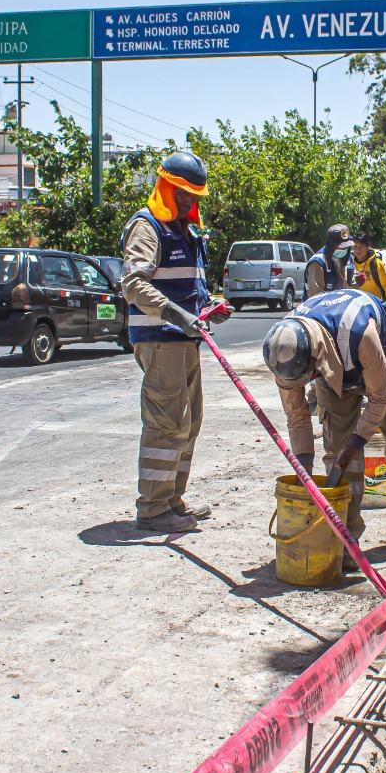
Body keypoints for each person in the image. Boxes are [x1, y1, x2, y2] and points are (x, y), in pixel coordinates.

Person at [262, 289, 386, 559]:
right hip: (335, 364)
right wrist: (303, 471)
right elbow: (297, 418)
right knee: (337, 449)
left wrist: (357, 442)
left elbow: (380, 398)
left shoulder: (359, 332)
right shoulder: (284, 351)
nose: (309, 380)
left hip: (384, 362)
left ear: (315, 358)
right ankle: (345, 534)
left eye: (311, 375)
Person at [120, 150, 231, 532]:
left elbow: (186, 285)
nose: (191, 200)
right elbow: (133, 285)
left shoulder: (186, 230)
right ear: (166, 187)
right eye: (184, 193)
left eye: (195, 194)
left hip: (186, 339)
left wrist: (208, 305)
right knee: (166, 424)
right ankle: (152, 507)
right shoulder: (147, 227)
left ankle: (171, 498)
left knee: (189, 423)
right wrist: (176, 315)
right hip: (161, 339)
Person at [348, 231, 386, 309]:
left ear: (368, 246)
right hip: (356, 309)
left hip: (375, 309)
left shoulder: (376, 264)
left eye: (361, 247)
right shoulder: (350, 265)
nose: (358, 250)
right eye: (355, 247)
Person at [305, 223, 352, 299]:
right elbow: (315, 296)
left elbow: (348, 288)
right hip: (318, 308)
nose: (343, 249)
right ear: (331, 245)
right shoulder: (318, 262)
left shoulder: (347, 259)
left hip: (339, 308)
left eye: (345, 246)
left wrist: (356, 282)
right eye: (340, 246)